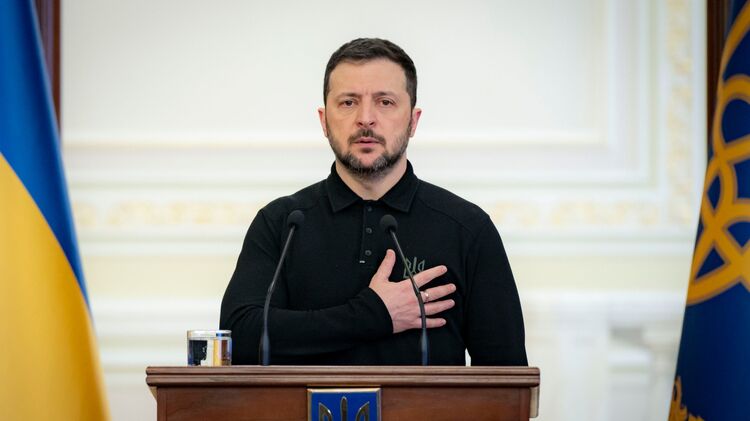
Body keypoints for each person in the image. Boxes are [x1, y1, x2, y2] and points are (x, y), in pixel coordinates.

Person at [220, 38, 527, 366]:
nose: (366, 118)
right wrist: (374, 315)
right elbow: (239, 339)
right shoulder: (282, 223)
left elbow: (507, 375)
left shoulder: (467, 228)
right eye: (348, 102)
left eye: (385, 102)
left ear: (413, 121)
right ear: (324, 121)